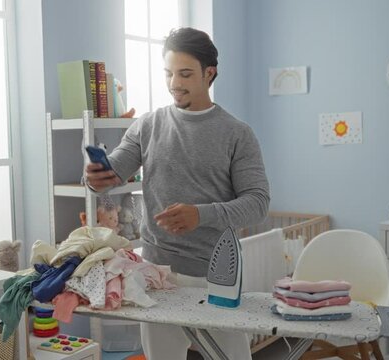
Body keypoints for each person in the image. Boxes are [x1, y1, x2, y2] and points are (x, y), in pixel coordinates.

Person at [85, 27, 270, 360]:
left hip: (217, 274)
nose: (174, 83)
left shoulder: (238, 134)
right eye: (169, 73)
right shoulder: (147, 125)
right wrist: (96, 178)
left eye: (185, 74)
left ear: (209, 73)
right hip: (158, 274)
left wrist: (201, 215)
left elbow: (257, 204)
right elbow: (113, 173)